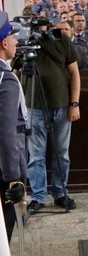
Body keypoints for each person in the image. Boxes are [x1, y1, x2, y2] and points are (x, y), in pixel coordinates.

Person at [23, 18, 81, 213]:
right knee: (35, 155)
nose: (41, 31)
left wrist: (74, 103)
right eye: (37, 28)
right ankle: (38, 195)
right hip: (34, 106)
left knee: (61, 154)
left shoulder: (62, 40)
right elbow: (14, 70)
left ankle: (60, 193)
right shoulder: (25, 42)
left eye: (44, 27)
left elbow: (74, 73)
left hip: (62, 105)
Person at [0, 13, 27, 241]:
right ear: (4, 42)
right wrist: (14, 177)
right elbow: (7, 132)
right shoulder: (6, 80)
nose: (17, 41)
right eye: (13, 36)